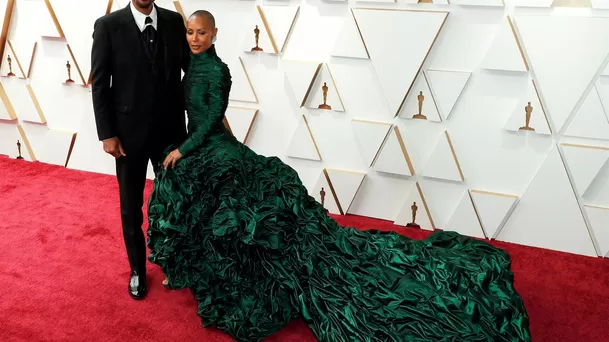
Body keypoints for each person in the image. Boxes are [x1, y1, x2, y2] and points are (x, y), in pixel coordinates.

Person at [147, 10, 532, 342]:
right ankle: (193, 268)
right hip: (209, 145)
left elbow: (213, 116)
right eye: (190, 32)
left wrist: (185, 149)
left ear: (215, 34)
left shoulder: (218, 70)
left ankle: (227, 273)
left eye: (202, 32)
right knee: (187, 186)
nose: (195, 38)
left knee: (208, 189)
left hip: (206, 145)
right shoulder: (190, 64)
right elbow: (208, 117)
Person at [90, 0, 190, 300]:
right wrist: (107, 134)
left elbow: (193, 70)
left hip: (170, 134)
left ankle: (174, 262)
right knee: (131, 205)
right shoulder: (107, 25)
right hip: (127, 136)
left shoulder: (174, 22)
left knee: (174, 201)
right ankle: (137, 269)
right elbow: (99, 83)